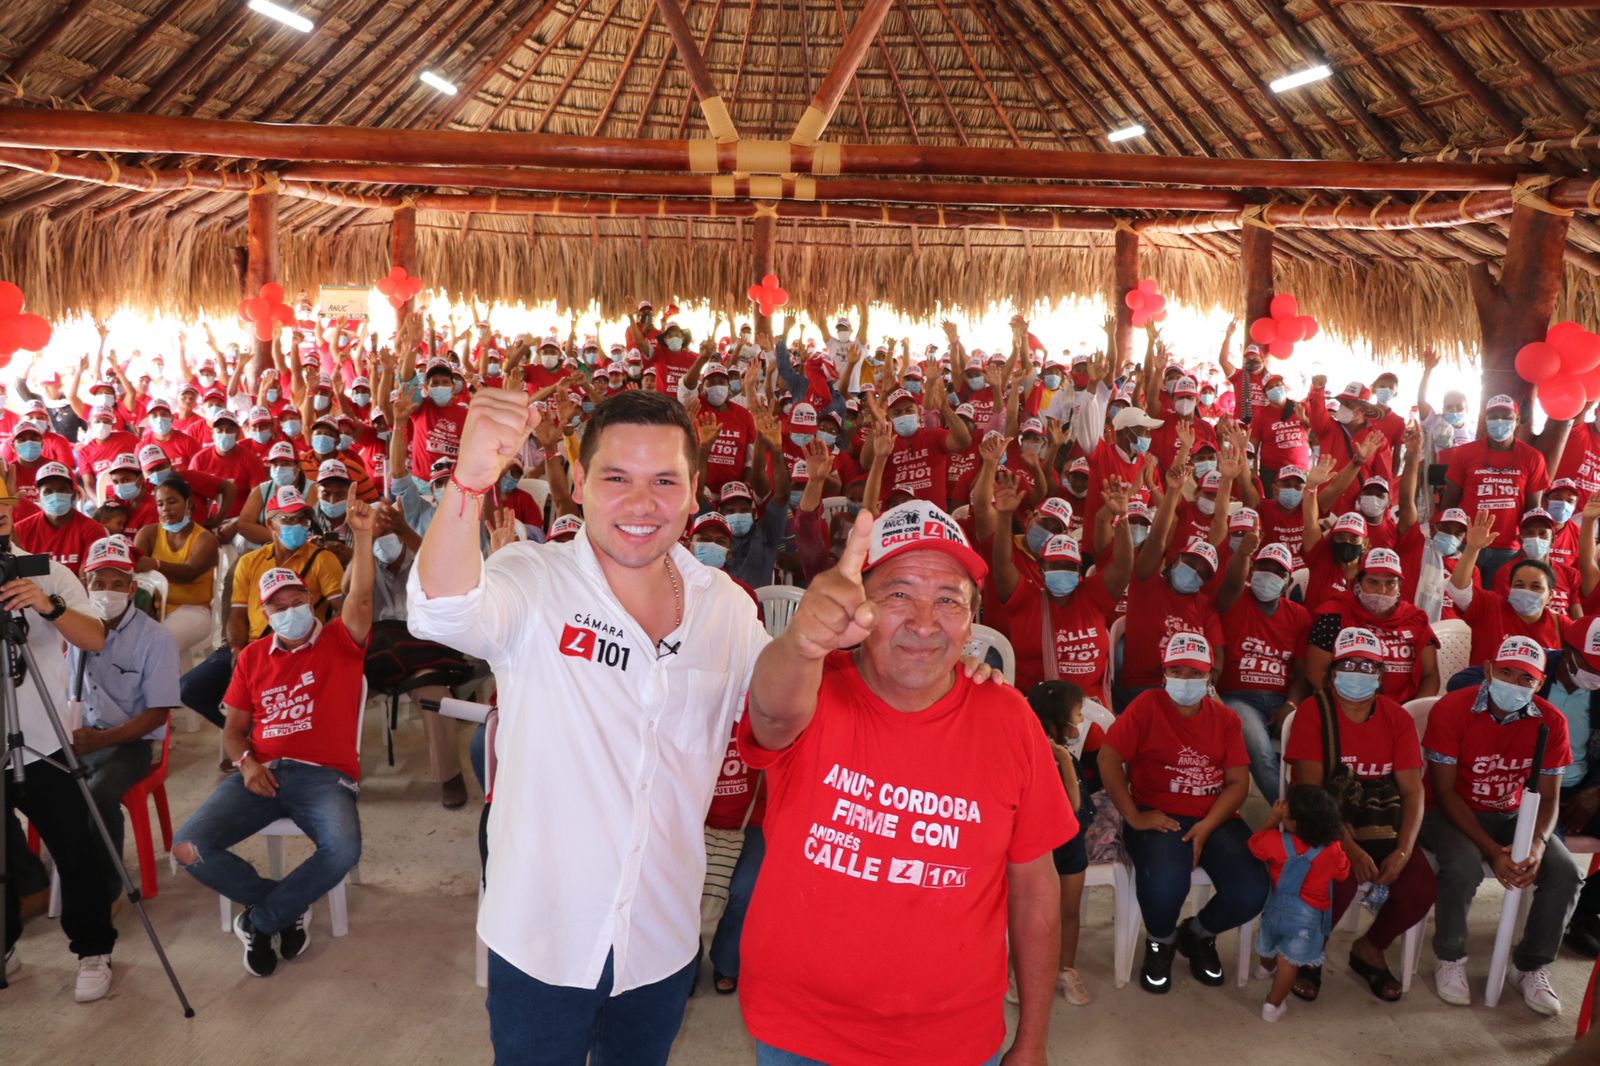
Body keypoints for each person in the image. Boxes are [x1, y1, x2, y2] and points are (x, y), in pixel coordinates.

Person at [407, 390, 770, 1066]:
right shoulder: (533, 578)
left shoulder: (726, 610)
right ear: (577, 485)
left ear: (694, 491)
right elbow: (443, 612)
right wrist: (468, 483)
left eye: (664, 481)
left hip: (660, 937)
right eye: (615, 478)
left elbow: (779, 712)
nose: (641, 503)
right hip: (541, 938)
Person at [738, 500, 1074, 1065]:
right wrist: (801, 642)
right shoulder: (815, 689)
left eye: (948, 600)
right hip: (800, 1033)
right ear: (859, 606)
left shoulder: (1010, 718)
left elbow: (1036, 891)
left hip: (954, 1042)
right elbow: (770, 717)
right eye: (898, 594)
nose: (924, 622)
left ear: (972, 621)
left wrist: (1033, 1039)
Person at [173, 499, 374, 978]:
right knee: (187, 847)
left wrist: (362, 538)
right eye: (278, 608)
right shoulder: (252, 658)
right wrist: (245, 763)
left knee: (343, 850)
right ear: (266, 612)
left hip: (325, 777)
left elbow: (361, 598)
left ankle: (261, 920)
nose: (290, 612)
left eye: (297, 602)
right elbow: (235, 728)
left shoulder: (340, 642)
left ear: (310, 600)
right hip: (259, 772)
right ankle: (286, 907)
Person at [1100, 633, 1269, 994]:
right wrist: (1133, 815)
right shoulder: (1146, 707)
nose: (1185, 680)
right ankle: (1160, 941)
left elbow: (1238, 782)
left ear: (1209, 675)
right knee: (1163, 883)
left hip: (1216, 816)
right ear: (1163, 673)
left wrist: (1207, 826)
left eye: (1195, 673)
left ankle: (1197, 934)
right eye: (1176, 670)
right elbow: (1108, 757)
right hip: (1157, 812)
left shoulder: (1225, 719)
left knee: (1251, 889)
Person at [1420, 634, 1578, 1016]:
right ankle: (1451, 957)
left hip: (1513, 813)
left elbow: (1549, 796)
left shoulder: (1551, 722)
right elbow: (1444, 792)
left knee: (1564, 873)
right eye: (1506, 672)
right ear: (1488, 670)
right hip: (1447, 811)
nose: (1515, 684)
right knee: (1463, 864)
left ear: (1540, 683)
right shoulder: (1453, 708)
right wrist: (1492, 850)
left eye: (1526, 679)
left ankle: (1529, 967)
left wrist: (1537, 845)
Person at [0, 491, 114, 1001]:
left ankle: (93, 948)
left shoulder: (48, 570)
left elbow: (94, 638)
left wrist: (49, 606)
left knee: (75, 846)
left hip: (44, 739)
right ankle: (5, 946)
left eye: (2, 500)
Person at [1285, 626, 1434, 1003]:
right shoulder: (1313, 712)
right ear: (1333, 671)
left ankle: (1370, 947)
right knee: (1340, 878)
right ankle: (1309, 950)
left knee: (1419, 887)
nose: (1358, 673)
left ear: (1381, 675)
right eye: (1349, 664)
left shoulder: (1396, 717)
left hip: (1382, 819)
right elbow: (1312, 791)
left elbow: (1413, 788)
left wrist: (1402, 849)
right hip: (1325, 817)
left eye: (1368, 666)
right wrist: (1349, 847)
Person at [179, 485, 345, 737]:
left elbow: (342, 610)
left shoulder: (322, 559)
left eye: (303, 518)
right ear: (271, 524)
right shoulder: (249, 561)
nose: (298, 525)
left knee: (272, 689)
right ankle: (244, 735)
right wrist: (237, 650)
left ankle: (264, 737)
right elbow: (236, 613)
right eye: (289, 519)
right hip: (251, 647)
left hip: (296, 649)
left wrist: (323, 648)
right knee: (190, 688)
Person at [69, 536, 181, 894]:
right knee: (31, 787)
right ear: (86, 585)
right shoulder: (72, 630)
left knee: (99, 795)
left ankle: (106, 888)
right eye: (99, 583)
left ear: (132, 588)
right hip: (80, 735)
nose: (107, 591)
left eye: (118, 583)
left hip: (130, 742)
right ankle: (45, 879)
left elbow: (157, 714)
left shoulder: (155, 639)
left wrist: (99, 740)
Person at [1215, 538, 1311, 803]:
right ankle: (1294, 818)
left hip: (1281, 700)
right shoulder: (1234, 601)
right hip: (1239, 699)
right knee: (1261, 752)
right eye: (1263, 567)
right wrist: (1244, 553)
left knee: (1313, 750)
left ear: (1288, 582)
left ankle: (1315, 810)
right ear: (1252, 571)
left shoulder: (1299, 616)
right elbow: (1232, 581)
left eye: (1278, 571)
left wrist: (1291, 704)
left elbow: (1302, 672)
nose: (1269, 575)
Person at [1027, 680, 1101, 1006]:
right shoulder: (1032, 759)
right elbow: (1071, 811)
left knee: (1068, 913)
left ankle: (1065, 969)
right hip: (1035, 857)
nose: (1081, 722)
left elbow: (1076, 822)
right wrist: (1063, 764)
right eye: (1078, 715)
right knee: (1029, 917)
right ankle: (1020, 971)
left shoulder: (1066, 757)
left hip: (1070, 853)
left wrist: (1065, 760)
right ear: (1058, 723)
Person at [1251, 786, 1349, 1022]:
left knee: (1269, 941)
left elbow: (1254, 844)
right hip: (1307, 919)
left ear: (1293, 823)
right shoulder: (1333, 850)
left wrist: (1272, 820)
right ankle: (1272, 1007)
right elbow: (1343, 873)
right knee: (1288, 963)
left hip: (1275, 911)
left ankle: (1264, 968)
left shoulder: (1275, 841)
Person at [1441, 394, 1549, 583]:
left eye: (1507, 417)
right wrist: (1449, 538)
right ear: (1485, 420)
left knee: (1497, 603)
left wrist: (1530, 547)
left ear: (1517, 421)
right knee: (1462, 598)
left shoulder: (1532, 457)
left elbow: (1532, 509)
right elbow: (1450, 500)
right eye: (1494, 417)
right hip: (1467, 543)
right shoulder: (1465, 453)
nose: (1500, 422)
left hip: (1508, 548)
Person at [131, 476, 221, 658]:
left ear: (188, 504)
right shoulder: (148, 533)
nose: (166, 509)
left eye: (172, 502)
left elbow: (190, 573)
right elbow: (134, 571)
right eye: (160, 504)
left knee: (160, 643)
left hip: (194, 610)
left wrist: (156, 564)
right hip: (154, 608)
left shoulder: (205, 539)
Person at [13, 461, 107, 577]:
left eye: (62, 490)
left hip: (76, 593)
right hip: (33, 591)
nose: (55, 495)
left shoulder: (92, 530)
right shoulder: (22, 530)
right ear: (38, 496)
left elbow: (87, 578)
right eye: (48, 491)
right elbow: (22, 573)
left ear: (73, 493)